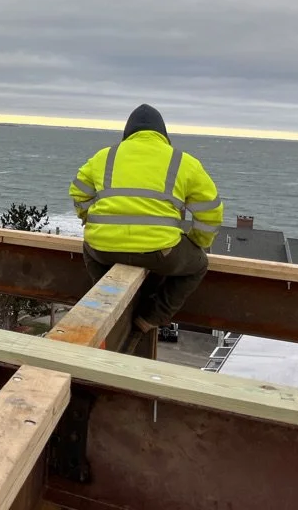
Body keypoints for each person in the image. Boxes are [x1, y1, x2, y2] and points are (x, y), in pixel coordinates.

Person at [69, 104, 223, 346]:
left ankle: (105, 300)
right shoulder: (183, 162)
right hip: (160, 253)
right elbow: (211, 211)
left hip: (105, 249)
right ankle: (150, 318)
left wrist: (90, 221)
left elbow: (79, 193)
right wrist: (197, 242)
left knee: (89, 247)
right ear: (163, 135)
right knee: (199, 265)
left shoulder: (104, 156)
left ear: (127, 133)